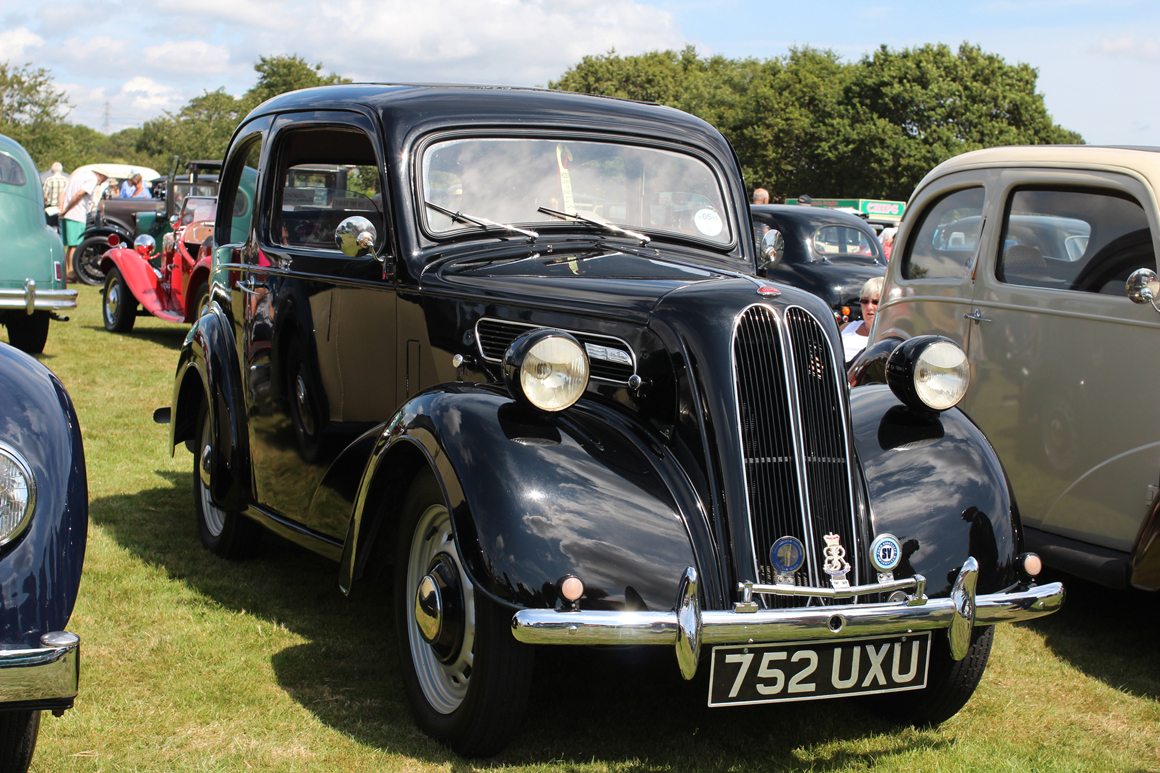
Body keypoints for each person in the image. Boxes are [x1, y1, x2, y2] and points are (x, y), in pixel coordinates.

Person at [59, 167, 109, 282]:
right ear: (100, 176)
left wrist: (62, 207)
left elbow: (62, 193)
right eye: (102, 181)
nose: (100, 184)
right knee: (75, 245)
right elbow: (79, 194)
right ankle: (72, 274)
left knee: (70, 246)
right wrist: (67, 209)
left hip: (68, 214)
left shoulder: (77, 176)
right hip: (77, 213)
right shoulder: (92, 179)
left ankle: (70, 271)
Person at [841, 276, 883, 365]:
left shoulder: (887, 338)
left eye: (876, 302)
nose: (869, 307)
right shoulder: (846, 327)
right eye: (865, 301)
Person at [42, 162, 68, 231]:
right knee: (61, 229)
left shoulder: (49, 180)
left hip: (51, 208)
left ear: (52, 171)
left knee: (48, 228)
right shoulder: (66, 180)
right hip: (62, 208)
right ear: (61, 170)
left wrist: (45, 203)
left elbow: (45, 195)